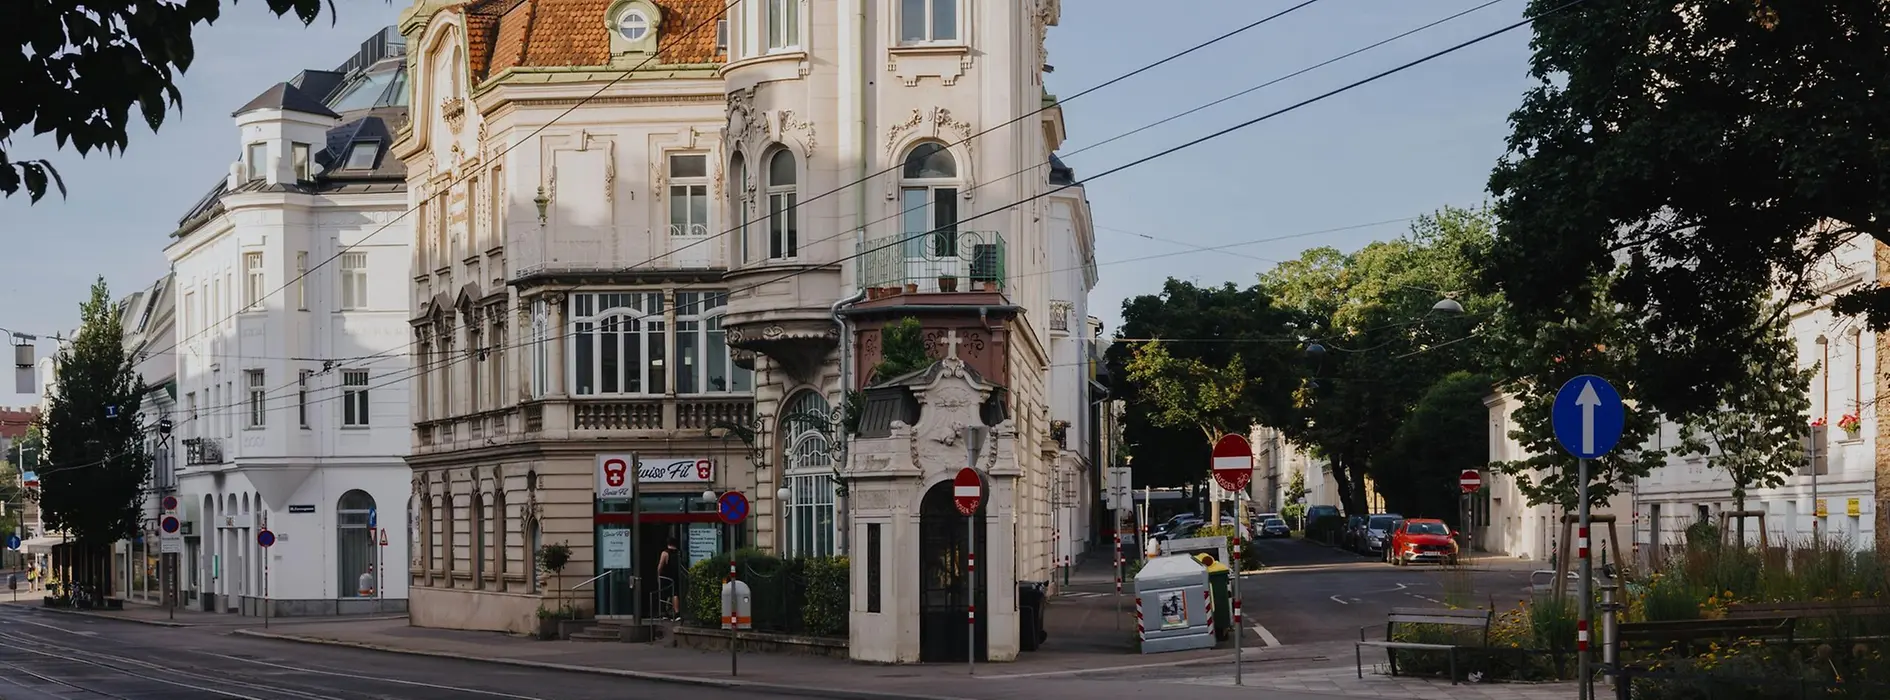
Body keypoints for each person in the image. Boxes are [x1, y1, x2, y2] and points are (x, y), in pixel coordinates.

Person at [656, 537, 681, 620]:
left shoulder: (665, 553)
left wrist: (658, 575)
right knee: (675, 594)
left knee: (665, 594)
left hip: (666, 576)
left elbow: (661, 565)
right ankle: (677, 613)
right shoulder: (678, 553)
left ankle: (664, 613)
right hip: (676, 576)